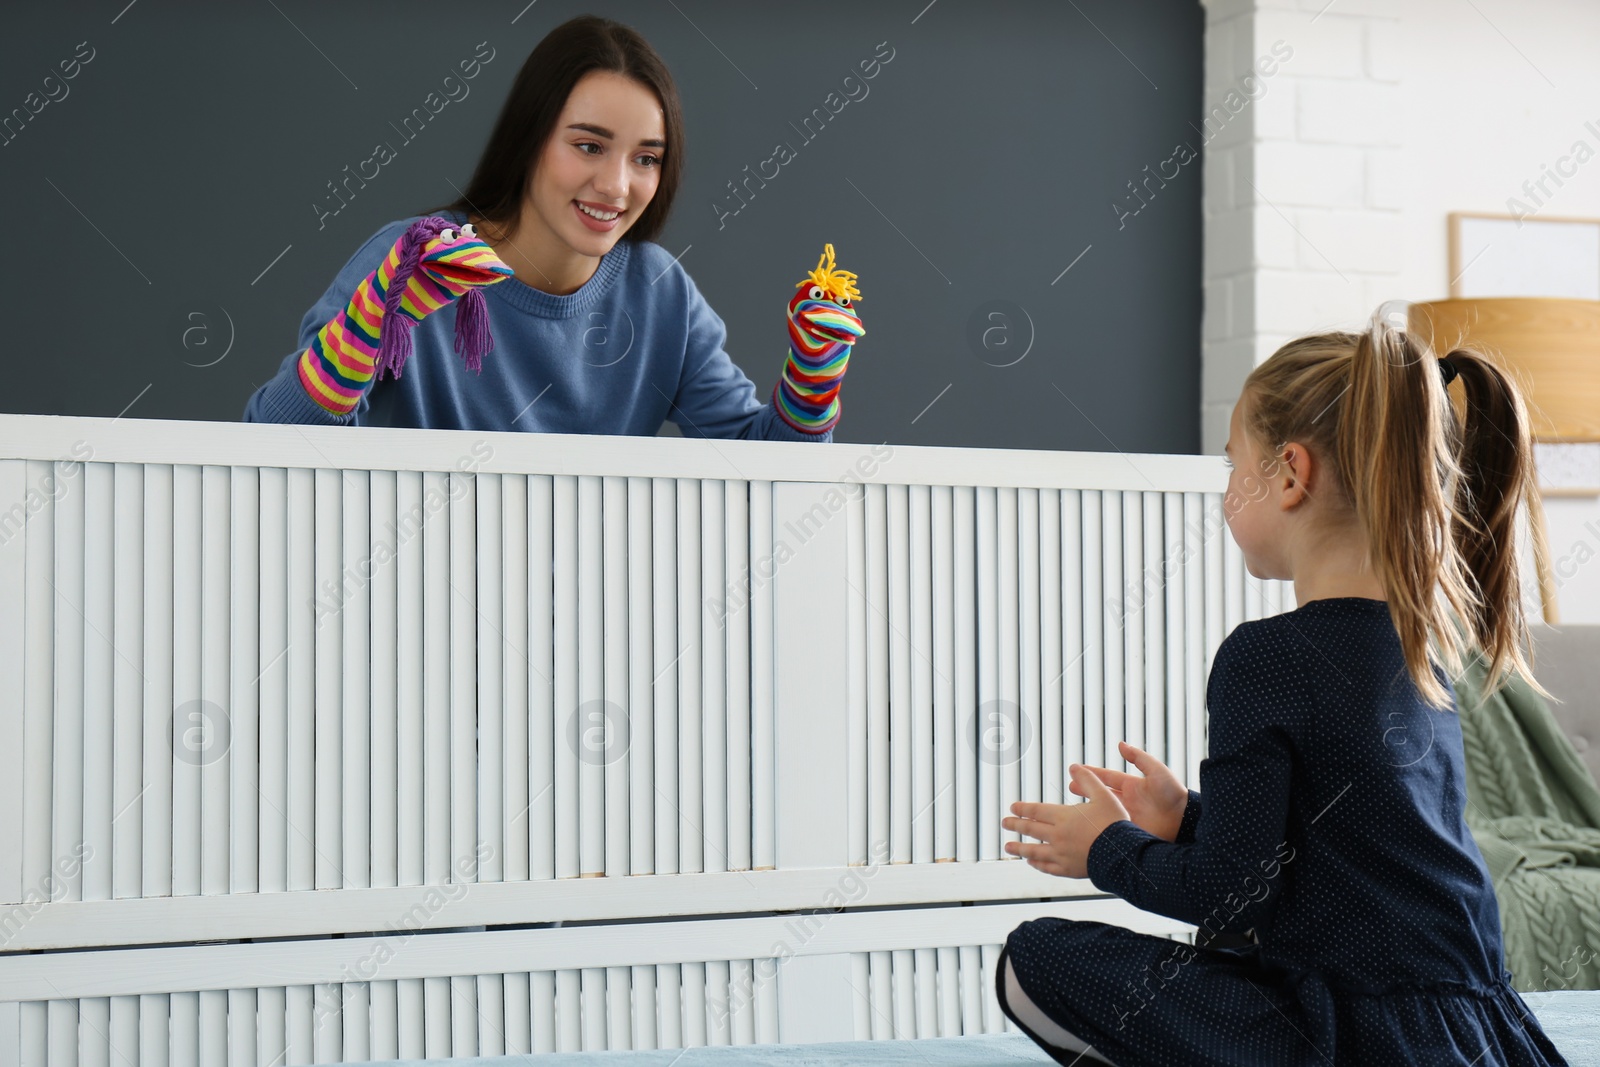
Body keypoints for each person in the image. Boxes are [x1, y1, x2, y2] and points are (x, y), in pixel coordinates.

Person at [995, 307, 1572, 1065]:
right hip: (1468, 1030)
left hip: (1346, 1034)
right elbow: (1346, 848)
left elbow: (1230, 896)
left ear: (1291, 474)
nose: (1228, 487)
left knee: (1031, 956)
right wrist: (1186, 819)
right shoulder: (1422, 644)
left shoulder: (1265, 657)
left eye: (1235, 465)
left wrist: (1109, 848)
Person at [243, 15, 857, 440]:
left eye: (646, 158)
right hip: (416, 605)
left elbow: (764, 469)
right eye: (589, 146)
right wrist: (365, 334)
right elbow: (273, 447)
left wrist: (811, 381)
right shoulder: (410, 259)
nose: (617, 186)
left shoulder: (660, 293)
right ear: (530, 141)